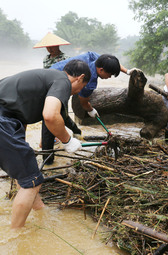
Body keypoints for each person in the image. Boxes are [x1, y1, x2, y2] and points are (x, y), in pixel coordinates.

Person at [0, 60, 91, 228]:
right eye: (80, 89)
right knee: (32, 181)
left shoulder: (43, 79)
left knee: (27, 175)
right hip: (3, 122)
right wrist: (68, 141)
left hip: (7, 121)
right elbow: (50, 115)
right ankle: (16, 236)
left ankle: (40, 210)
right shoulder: (62, 81)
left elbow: (20, 115)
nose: (76, 93)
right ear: (80, 78)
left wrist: (21, 147)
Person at [40, 51, 138, 164]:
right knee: (52, 118)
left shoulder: (96, 59)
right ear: (101, 70)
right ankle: (48, 160)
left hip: (50, 73)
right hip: (53, 84)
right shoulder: (90, 80)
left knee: (61, 114)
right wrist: (91, 110)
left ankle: (76, 133)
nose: (109, 77)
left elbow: (113, 63)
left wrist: (127, 71)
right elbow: (84, 103)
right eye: (109, 74)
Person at [34, 32, 82, 153]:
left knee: (62, 114)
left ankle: (73, 133)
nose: (49, 49)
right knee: (48, 113)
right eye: (47, 47)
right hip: (48, 89)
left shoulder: (66, 59)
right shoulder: (46, 59)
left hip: (61, 90)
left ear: (58, 46)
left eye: (52, 46)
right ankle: (53, 137)